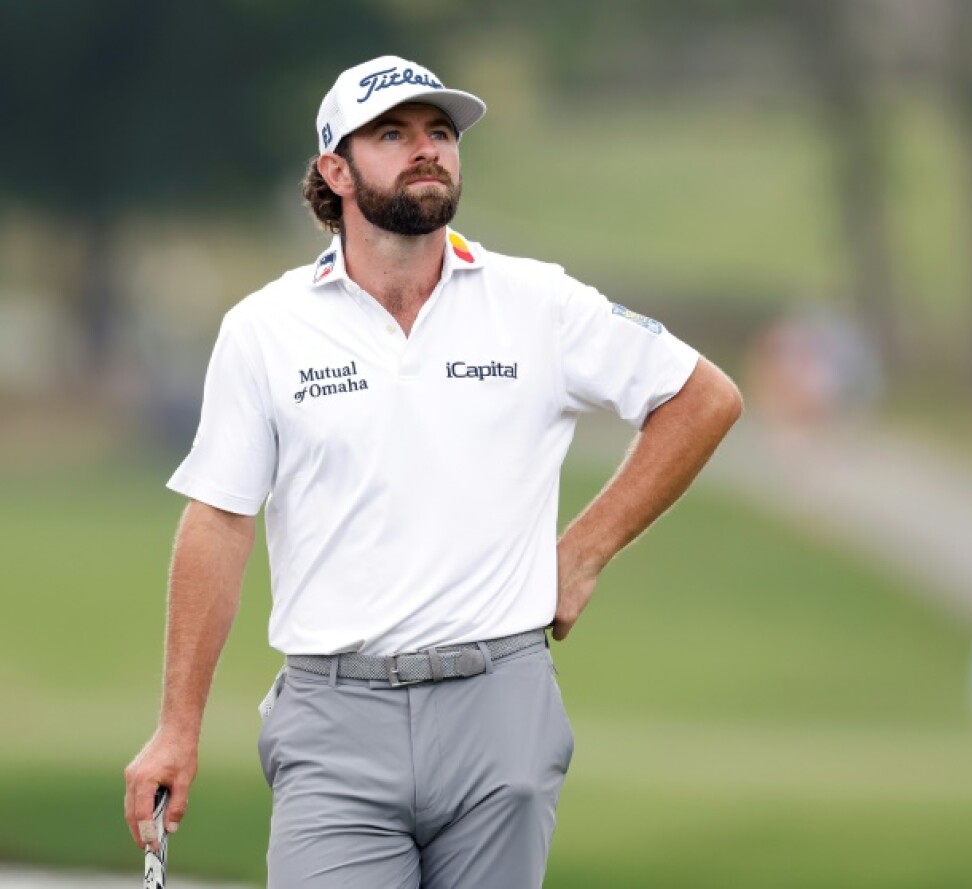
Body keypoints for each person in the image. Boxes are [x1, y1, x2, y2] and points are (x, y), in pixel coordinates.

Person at [121, 55, 742, 888]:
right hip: (334, 719)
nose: (427, 149)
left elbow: (704, 397)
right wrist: (177, 727)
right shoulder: (264, 329)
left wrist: (584, 553)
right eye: (393, 133)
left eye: (440, 132)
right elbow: (219, 521)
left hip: (500, 708)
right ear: (335, 171)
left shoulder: (537, 302)